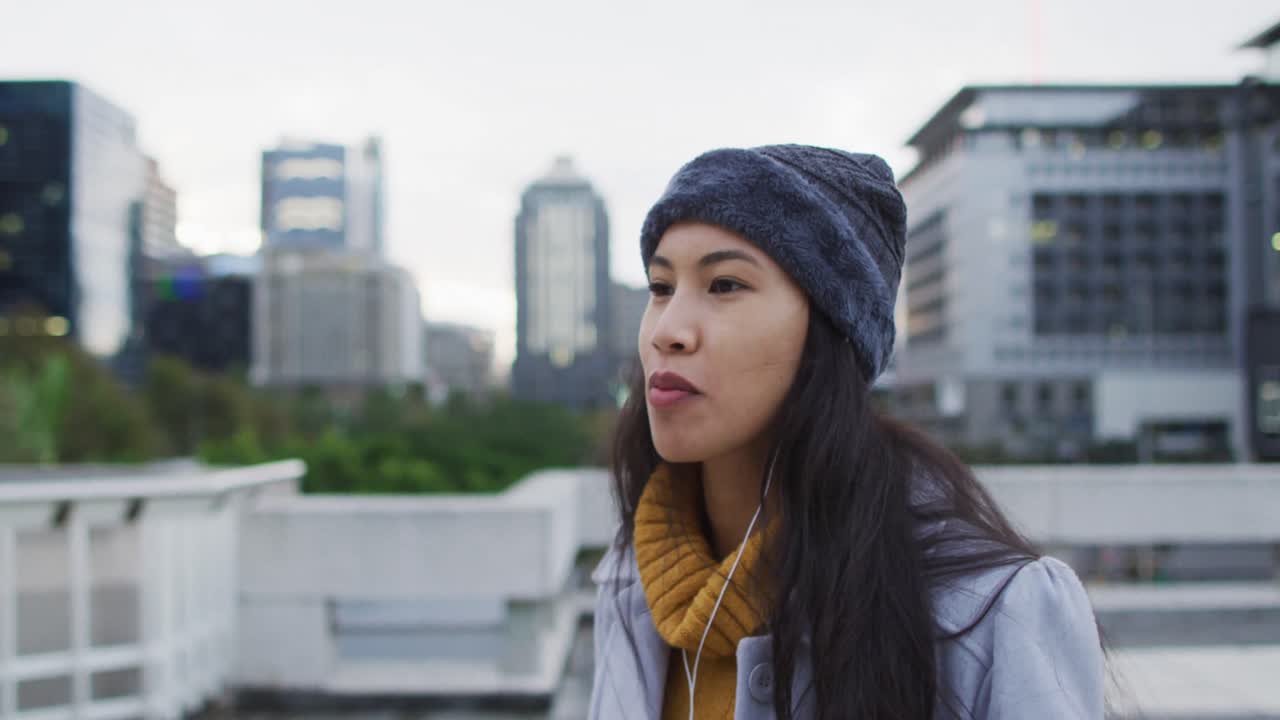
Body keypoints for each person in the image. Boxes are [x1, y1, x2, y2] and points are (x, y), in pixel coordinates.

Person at [588, 145, 1105, 719]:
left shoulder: (993, 614)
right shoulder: (633, 587)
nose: (668, 330)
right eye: (661, 287)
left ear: (832, 330)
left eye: (725, 285)